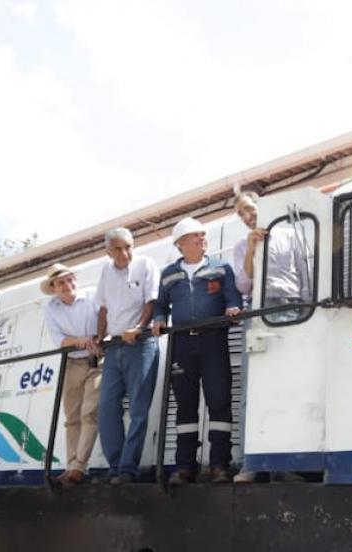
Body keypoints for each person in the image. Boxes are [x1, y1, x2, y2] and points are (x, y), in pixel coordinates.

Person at [151, 217, 242, 485]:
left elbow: (233, 298)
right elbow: (160, 306)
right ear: (181, 244)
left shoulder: (221, 268)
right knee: (185, 406)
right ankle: (184, 467)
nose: (202, 238)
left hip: (214, 341)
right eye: (196, 236)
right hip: (182, 345)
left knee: (219, 401)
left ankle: (219, 465)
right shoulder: (168, 274)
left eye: (204, 235)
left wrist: (233, 308)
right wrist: (158, 319)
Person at [93, 228, 161, 486]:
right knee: (107, 409)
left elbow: (151, 300)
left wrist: (140, 328)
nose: (124, 253)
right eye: (118, 249)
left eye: (128, 247)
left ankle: (127, 469)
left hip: (140, 344)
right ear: (108, 251)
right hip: (114, 347)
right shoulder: (105, 271)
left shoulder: (146, 264)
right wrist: (99, 339)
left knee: (138, 410)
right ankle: (115, 465)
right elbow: (102, 308)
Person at [40, 262, 101, 486]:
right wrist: (80, 341)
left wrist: (95, 339)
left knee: (89, 412)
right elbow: (59, 340)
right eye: (60, 283)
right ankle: (70, 465)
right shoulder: (50, 308)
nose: (67, 285)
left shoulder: (93, 297)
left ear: (75, 279)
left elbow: (105, 322)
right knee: (71, 418)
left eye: (69, 279)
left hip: (97, 360)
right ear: (54, 288)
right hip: (72, 363)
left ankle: (78, 467)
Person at [231, 192, 312, 318]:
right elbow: (243, 286)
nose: (247, 217)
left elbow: (306, 271)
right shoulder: (240, 247)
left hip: (290, 306)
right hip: (257, 309)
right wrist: (251, 250)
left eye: (249, 209)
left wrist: (308, 305)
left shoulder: (291, 236)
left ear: (262, 206)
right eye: (241, 214)